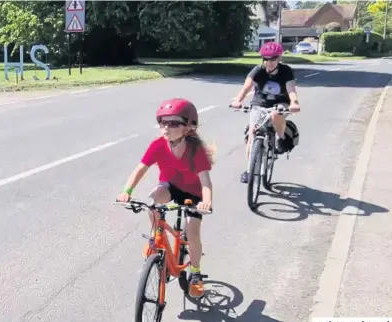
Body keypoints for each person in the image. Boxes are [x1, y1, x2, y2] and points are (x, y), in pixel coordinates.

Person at [116, 98, 215, 299]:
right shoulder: (158, 145)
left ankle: (195, 274)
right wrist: (127, 191)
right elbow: (140, 169)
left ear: (188, 127)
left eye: (174, 123)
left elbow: (205, 182)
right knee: (152, 201)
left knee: (192, 230)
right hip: (170, 187)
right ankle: (156, 238)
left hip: (193, 193)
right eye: (163, 122)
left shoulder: (196, 150)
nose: (166, 127)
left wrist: (207, 202)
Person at [231, 41, 301, 183]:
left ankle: (279, 139)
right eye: (266, 59)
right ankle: (250, 170)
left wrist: (294, 102)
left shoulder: (285, 71)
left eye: (273, 59)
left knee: (276, 114)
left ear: (279, 58)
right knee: (252, 136)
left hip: (280, 103)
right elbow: (246, 88)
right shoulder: (258, 70)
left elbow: (291, 89)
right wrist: (238, 101)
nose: (269, 62)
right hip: (260, 104)